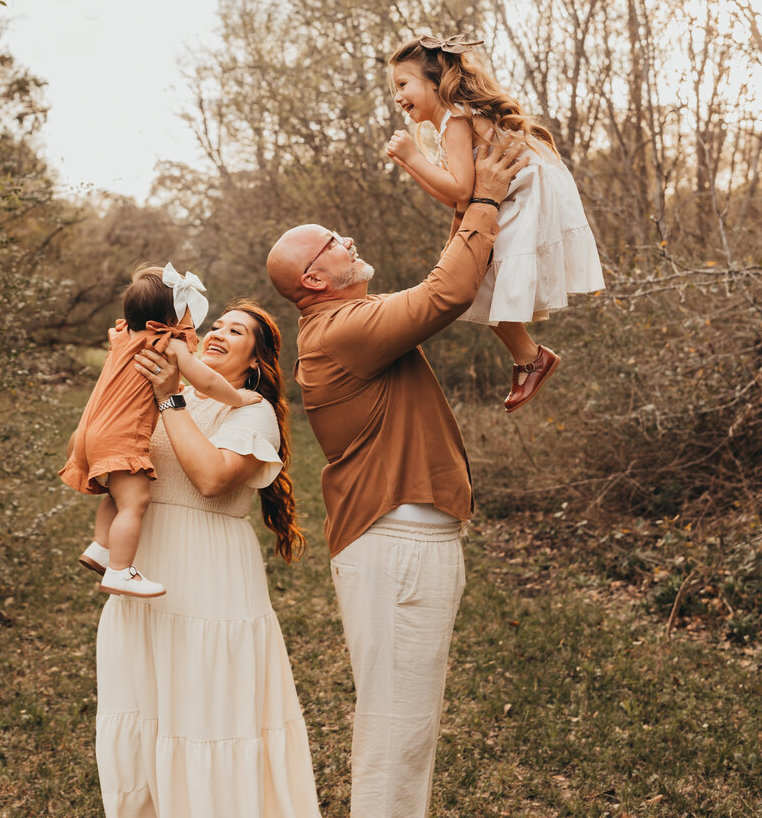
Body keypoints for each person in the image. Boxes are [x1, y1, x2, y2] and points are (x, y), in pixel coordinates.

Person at [266, 134, 528, 818]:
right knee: (396, 731)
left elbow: (450, 276)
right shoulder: (339, 331)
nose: (348, 238)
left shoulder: (351, 322)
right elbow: (447, 291)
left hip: (411, 545)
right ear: (315, 280)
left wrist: (471, 201)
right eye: (333, 240)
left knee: (407, 728)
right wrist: (486, 197)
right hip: (398, 548)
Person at [94, 300, 322, 818]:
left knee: (206, 713)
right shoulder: (161, 391)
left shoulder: (250, 411)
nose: (218, 331)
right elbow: (103, 452)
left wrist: (170, 397)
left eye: (236, 330)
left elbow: (213, 479)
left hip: (209, 577)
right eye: (216, 324)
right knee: (144, 706)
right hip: (148, 568)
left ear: (256, 362)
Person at [386, 32, 604, 411]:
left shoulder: (456, 119)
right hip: (519, 191)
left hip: (525, 192)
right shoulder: (452, 122)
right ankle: (530, 357)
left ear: (434, 81)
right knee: (472, 275)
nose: (397, 97)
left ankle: (531, 357)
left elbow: (459, 189)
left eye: (403, 84)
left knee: (479, 277)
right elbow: (459, 195)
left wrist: (412, 157)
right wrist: (410, 164)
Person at [60, 263, 261, 598]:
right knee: (134, 502)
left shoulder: (123, 335)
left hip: (91, 430)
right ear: (168, 320)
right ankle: (120, 572)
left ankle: (100, 546)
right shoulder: (168, 343)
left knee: (118, 490)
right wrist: (237, 397)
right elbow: (207, 380)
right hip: (122, 435)